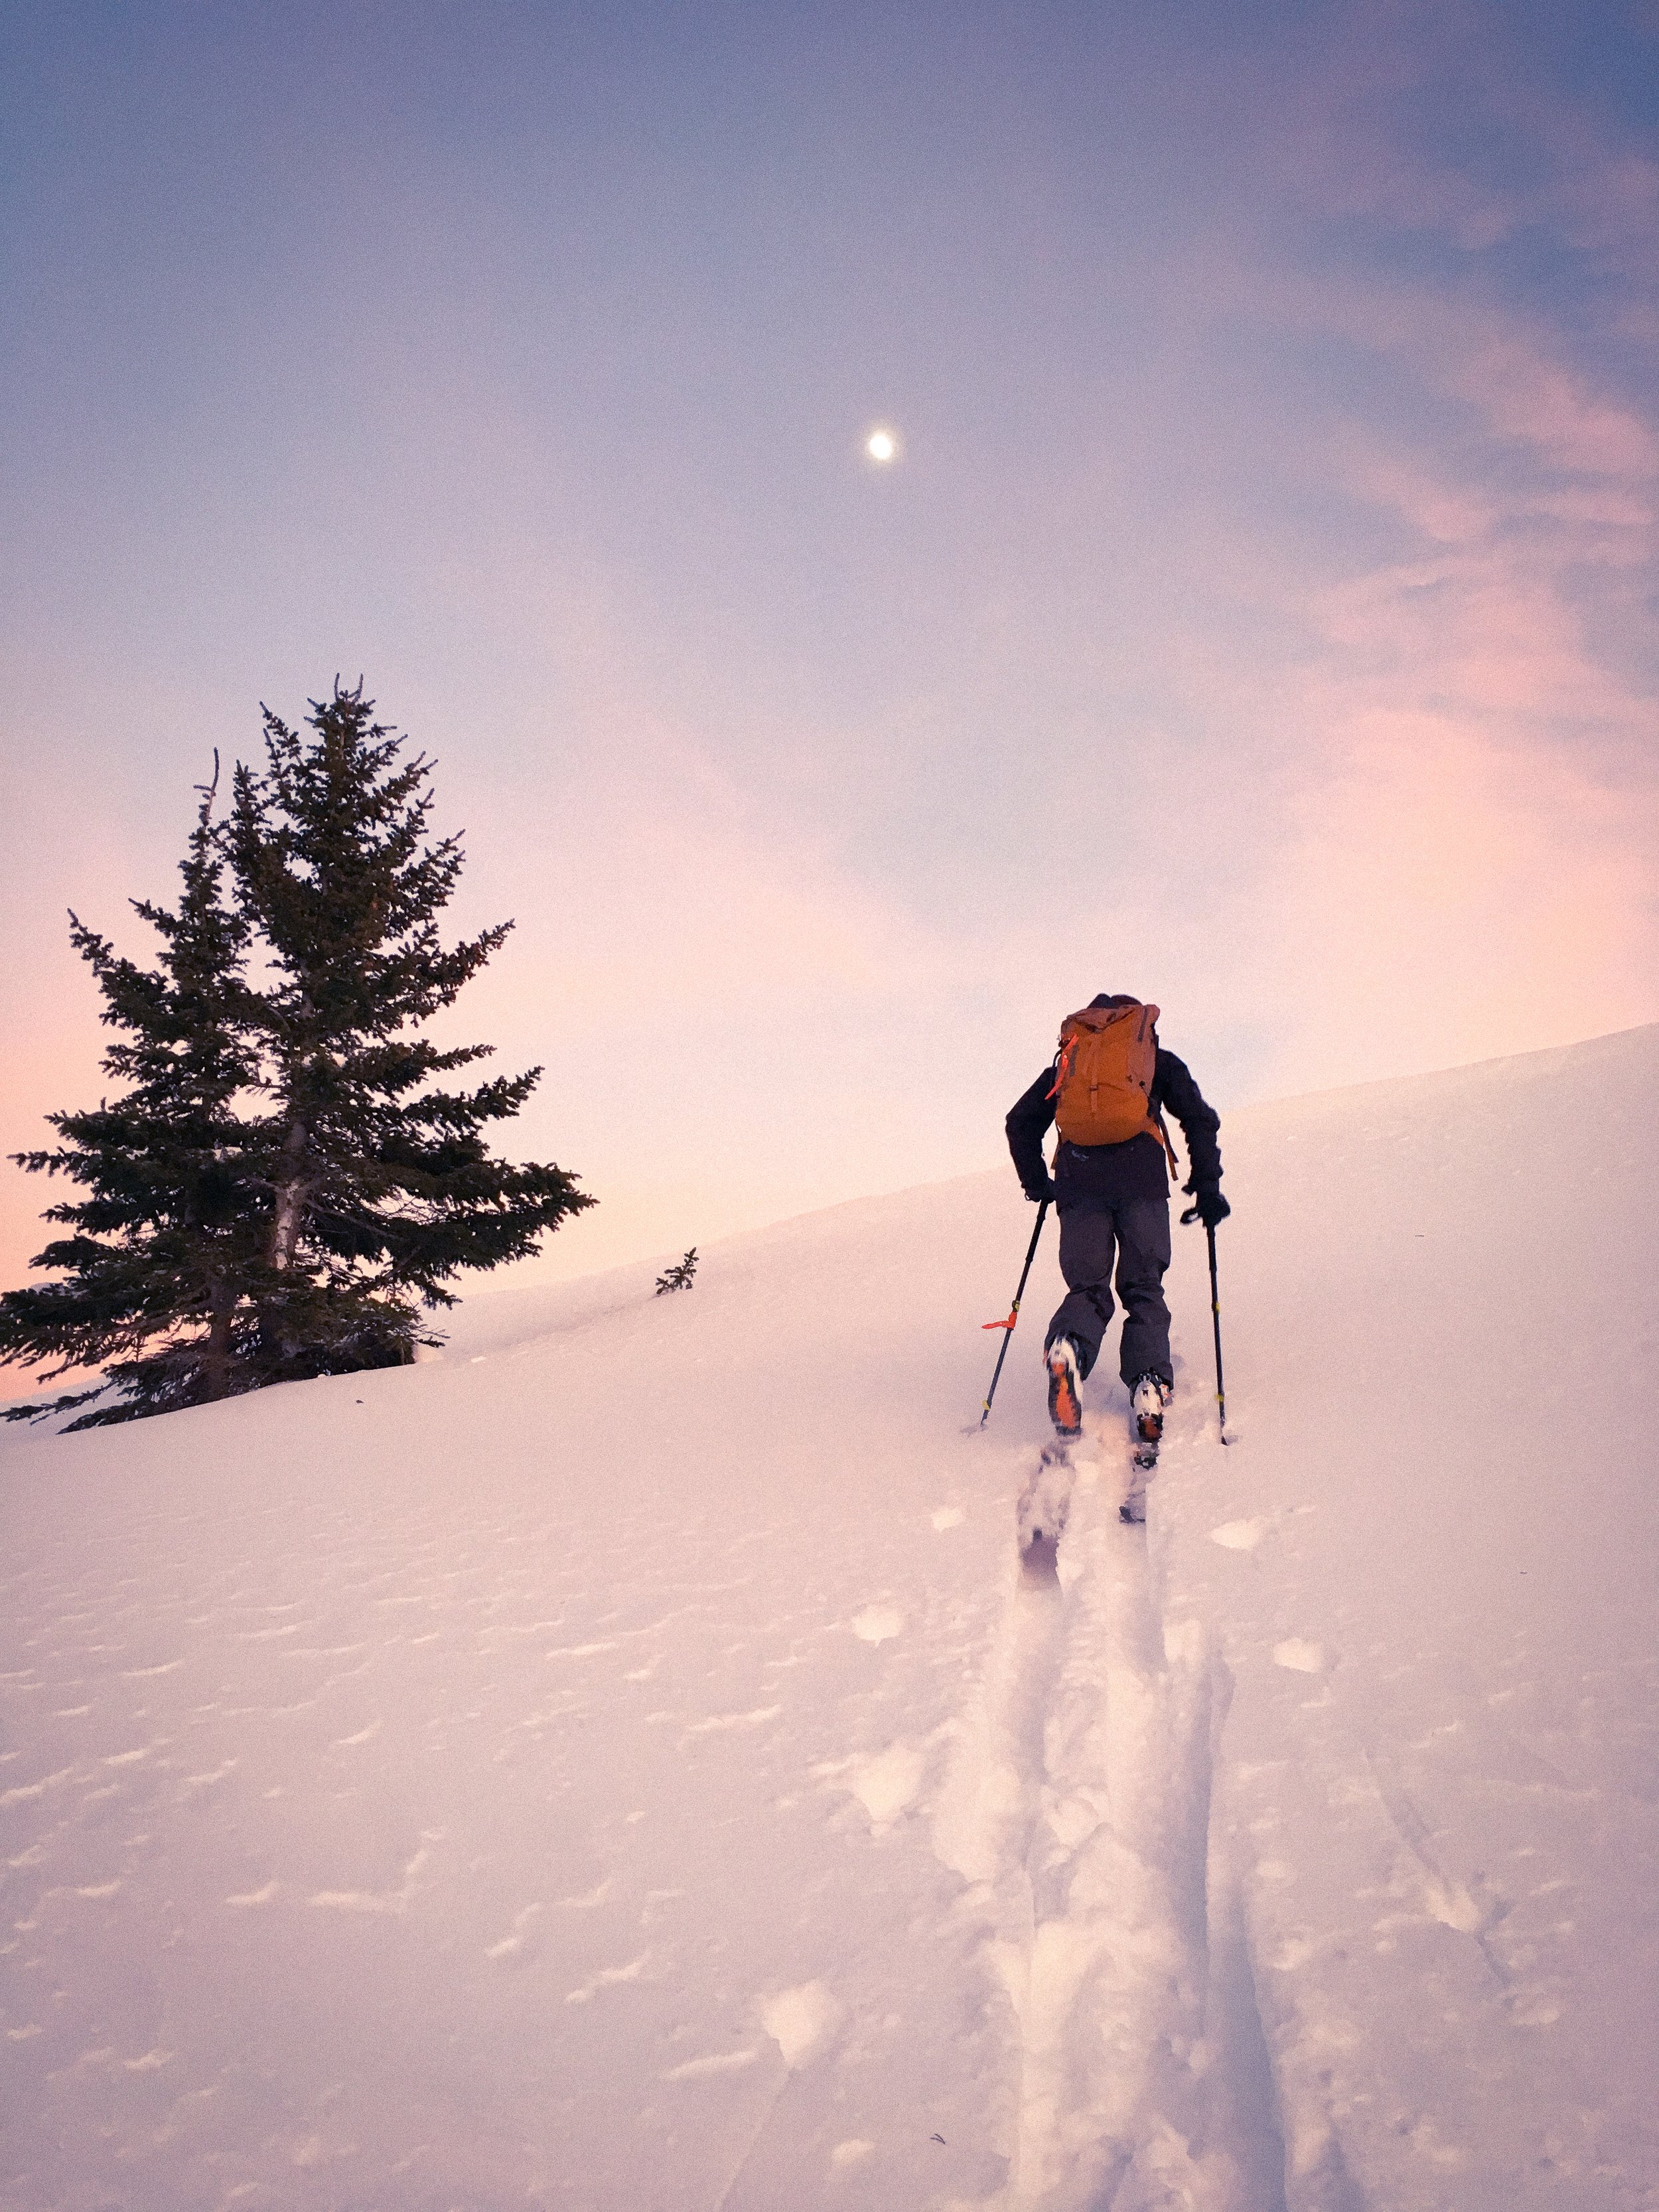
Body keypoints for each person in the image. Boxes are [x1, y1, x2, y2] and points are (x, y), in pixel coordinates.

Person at [1005, 994, 1227, 1450]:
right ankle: (1148, 1385)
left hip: (1079, 1178)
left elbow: (1020, 1123)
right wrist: (1207, 1184)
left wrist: (1039, 1185)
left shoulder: (1069, 1065)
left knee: (1087, 1287)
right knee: (1144, 1285)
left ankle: (1068, 1347)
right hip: (1141, 1178)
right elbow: (1199, 1120)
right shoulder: (1151, 1060)